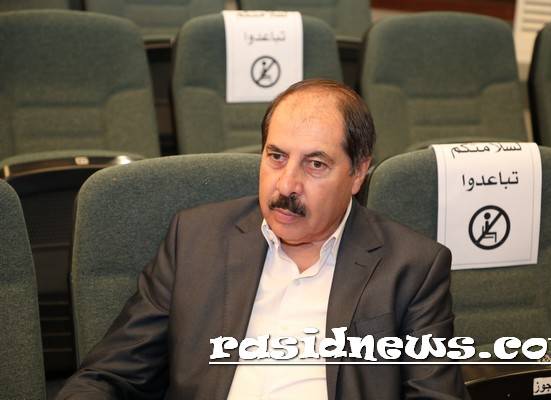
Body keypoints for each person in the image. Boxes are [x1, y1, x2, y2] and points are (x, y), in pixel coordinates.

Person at [57, 79, 468, 399]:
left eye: (316, 164)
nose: (286, 185)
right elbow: (109, 376)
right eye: (276, 156)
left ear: (358, 173)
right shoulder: (194, 240)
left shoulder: (411, 266)